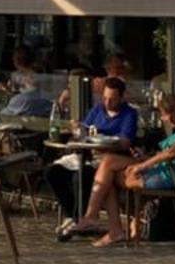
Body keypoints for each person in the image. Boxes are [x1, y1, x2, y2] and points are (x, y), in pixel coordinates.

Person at [49, 76, 140, 241]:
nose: (107, 103)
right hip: (88, 154)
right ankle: (72, 215)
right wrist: (77, 128)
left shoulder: (129, 114)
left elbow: (125, 142)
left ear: (121, 97)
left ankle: (83, 220)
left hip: (111, 158)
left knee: (81, 177)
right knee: (53, 172)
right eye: (105, 98)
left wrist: (102, 141)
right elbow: (84, 129)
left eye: (112, 99)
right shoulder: (98, 110)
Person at [123, 94, 175, 211]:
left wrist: (141, 166)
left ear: (173, 113)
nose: (163, 119)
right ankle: (137, 221)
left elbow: (173, 152)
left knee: (128, 180)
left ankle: (135, 223)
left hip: (172, 176)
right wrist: (144, 157)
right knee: (125, 174)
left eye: (164, 114)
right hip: (169, 172)